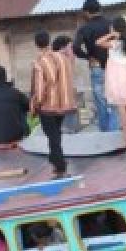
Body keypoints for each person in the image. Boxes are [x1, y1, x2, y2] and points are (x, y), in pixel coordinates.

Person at [30, 30, 75, 178]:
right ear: (49, 41)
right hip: (64, 105)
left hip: (48, 106)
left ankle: (59, 165)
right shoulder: (63, 58)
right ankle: (58, 161)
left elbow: (40, 89)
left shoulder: (39, 63)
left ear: (37, 45)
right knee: (56, 134)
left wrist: (35, 105)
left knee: (53, 137)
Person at [72, 0, 119, 132]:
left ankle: (105, 135)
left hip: (97, 67)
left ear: (86, 12)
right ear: (100, 9)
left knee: (101, 103)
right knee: (114, 102)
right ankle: (114, 135)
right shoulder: (111, 24)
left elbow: (75, 47)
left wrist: (88, 57)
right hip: (113, 66)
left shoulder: (84, 28)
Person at [98, 16, 126, 136]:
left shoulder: (116, 43)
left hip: (115, 73)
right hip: (125, 72)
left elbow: (98, 42)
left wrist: (111, 35)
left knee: (120, 105)